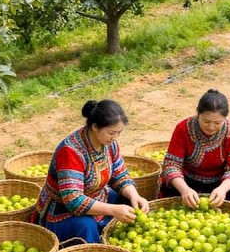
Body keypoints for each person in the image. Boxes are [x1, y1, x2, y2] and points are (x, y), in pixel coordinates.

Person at [30, 100, 151, 244]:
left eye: (119, 133)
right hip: (62, 210)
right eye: (111, 133)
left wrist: (134, 195)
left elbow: (119, 174)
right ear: (94, 127)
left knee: (129, 203)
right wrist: (112, 210)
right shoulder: (70, 151)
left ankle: (117, 239)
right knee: (87, 226)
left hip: (98, 197)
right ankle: (93, 251)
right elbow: (73, 200)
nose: (115, 137)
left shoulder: (109, 144)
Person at [158, 89, 230, 208]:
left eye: (217, 123)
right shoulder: (183, 128)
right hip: (186, 179)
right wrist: (185, 190)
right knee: (170, 194)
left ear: (225, 118)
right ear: (198, 114)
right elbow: (171, 164)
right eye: (206, 121)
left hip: (220, 181)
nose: (211, 127)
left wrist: (222, 189)